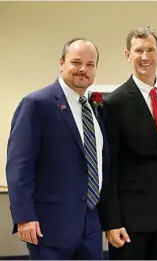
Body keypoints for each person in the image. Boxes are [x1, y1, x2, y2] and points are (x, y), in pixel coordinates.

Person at [6, 38, 108, 259]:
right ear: (62, 63)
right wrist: (24, 217)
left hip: (90, 225)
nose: (83, 69)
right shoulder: (36, 104)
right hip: (48, 227)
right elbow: (19, 165)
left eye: (90, 64)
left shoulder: (94, 109)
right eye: (76, 62)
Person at [99, 26, 157, 259]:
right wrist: (112, 221)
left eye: (150, 50)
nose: (145, 57)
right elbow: (109, 167)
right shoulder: (114, 103)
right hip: (130, 221)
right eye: (138, 51)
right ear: (128, 55)